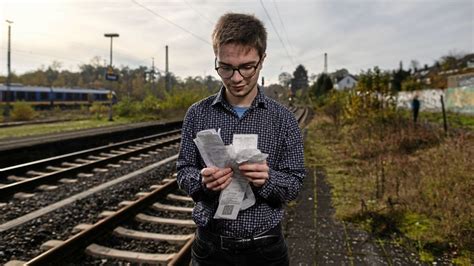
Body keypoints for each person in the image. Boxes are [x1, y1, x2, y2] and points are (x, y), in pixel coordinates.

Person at [176, 13, 305, 266]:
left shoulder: (283, 119)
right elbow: (183, 171)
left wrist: (268, 179)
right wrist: (202, 182)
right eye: (225, 67)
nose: (236, 78)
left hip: (266, 250)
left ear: (262, 60)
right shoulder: (197, 114)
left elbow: (295, 182)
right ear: (216, 58)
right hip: (210, 248)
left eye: (247, 67)